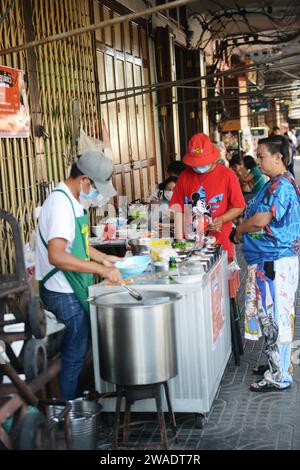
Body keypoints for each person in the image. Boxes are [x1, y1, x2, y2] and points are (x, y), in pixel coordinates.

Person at [35, 151, 122, 400]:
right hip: (63, 293)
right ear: (84, 179)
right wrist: (102, 270)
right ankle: (69, 419)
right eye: (96, 187)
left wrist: (103, 258)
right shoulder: (61, 205)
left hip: (71, 289)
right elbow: (58, 255)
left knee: (78, 352)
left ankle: (72, 409)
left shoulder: (72, 201)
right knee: (73, 357)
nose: (96, 195)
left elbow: (78, 246)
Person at [234, 135, 300, 392]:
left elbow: (261, 220)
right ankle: (278, 364)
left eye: (262, 156)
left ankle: (280, 375)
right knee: (274, 315)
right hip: (270, 261)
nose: (259, 161)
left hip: (275, 262)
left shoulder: (282, 185)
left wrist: (240, 230)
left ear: (278, 156)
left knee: (276, 317)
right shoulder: (276, 183)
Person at [169, 133, 246, 259]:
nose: (199, 167)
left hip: (220, 241)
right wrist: (179, 241)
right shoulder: (184, 177)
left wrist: (222, 219)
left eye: (202, 163)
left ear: (213, 158)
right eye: (195, 164)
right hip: (190, 243)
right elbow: (177, 209)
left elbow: (239, 206)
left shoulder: (227, 175)